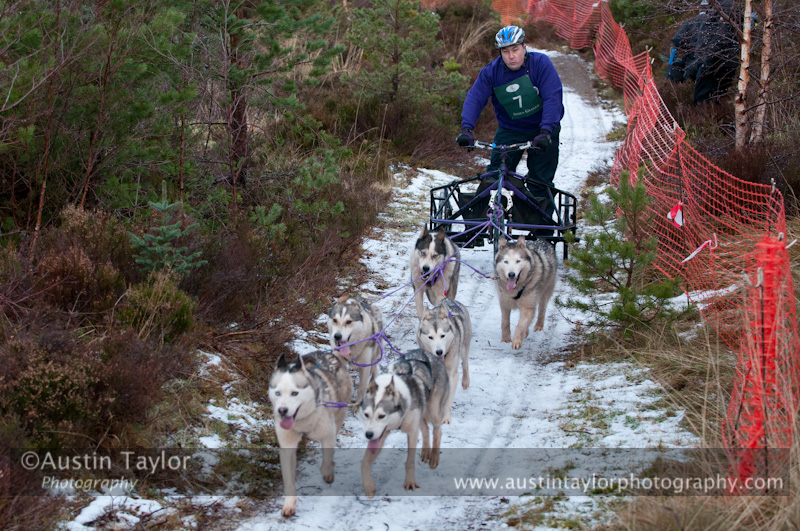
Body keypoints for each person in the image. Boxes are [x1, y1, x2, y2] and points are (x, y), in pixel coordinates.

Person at [456, 25, 564, 234]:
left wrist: (546, 130)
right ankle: (478, 224)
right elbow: (475, 97)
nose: (511, 56)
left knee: (540, 180)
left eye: (515, 49)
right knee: (493, 176)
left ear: (525, 47)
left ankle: (540, 232)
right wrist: (467, 128)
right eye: (505, 52)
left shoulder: (541, 64)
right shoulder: (492, 72)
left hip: (543, 130)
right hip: (511, 129)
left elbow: (553, 97)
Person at [667, 0, 739, 105]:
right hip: (729, 64)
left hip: (703, 62)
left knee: (701, 96)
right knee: (720, 94)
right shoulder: (736, 21)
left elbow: (678, 39)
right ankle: (715, 115)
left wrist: (689, 51)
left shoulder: (703, 22)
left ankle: (698, 115)